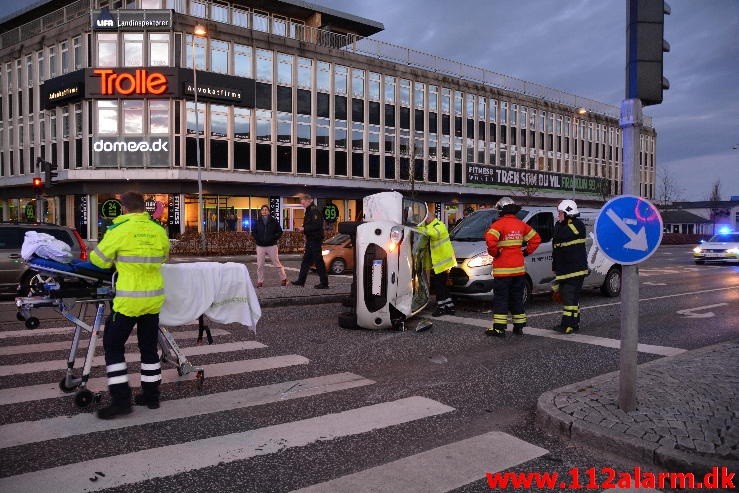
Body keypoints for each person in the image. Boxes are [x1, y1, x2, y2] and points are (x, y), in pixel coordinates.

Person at [90, 191, 170, 419]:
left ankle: (121, 400)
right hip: (152, 300)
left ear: (124, 208)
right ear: (143, 208)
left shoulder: (120, 230)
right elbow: (164, 256)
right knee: (148, 348)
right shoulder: (158, 230)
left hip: (127, 302)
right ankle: (151, 396)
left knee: (113, 346)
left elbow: (98, 260)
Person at [484, 197, 541, 337]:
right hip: (519, 270)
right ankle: (519, 326)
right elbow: (536, 239)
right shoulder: (521, 225)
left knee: (501, 299)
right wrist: (526, 251)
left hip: (503, 271)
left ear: (500, 210)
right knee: (517, 297)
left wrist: (496, 253)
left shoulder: (497, 225)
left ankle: (499, 328)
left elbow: (490, 242)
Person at [551, 199, 589, 334]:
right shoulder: (564, 226)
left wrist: (563, 222)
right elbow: (557, 249)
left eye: (560, 213)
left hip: (574, 270)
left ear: (568, 213)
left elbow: (562, 235)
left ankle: (568, 325)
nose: (558, 216)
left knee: (569, 299)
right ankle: (574, 323)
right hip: (566, 270)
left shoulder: (576, 226)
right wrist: (555, 266)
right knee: (572, 299)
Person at [418, 209, 457, 317]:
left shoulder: (439, 225)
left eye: (425, 219)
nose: (425, 221)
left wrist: (421, 229)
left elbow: (433, 233)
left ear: (430, 218)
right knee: (443, 286)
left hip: (443, 263)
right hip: (441, 263)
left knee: (439, 286)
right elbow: (424, 230)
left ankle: (441, 308)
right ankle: (450, 306)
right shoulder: (432, 225)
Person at [292, 193, 329, 289]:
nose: (302, 205)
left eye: (303, 203)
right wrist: (304, 228)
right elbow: (311, 225)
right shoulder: (309, 211)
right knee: (306, 261)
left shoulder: (314, 210)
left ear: (309, 200)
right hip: (311, 239)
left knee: (318, 261)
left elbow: (316, 225)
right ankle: (301, 281)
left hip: (315, 239)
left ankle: (324, 283)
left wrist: (304, 229)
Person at [253, 205, 287, 287]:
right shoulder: (258, 221)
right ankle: (260, 281)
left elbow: (280, 231)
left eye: (266, 210)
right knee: (260, 265)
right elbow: (254, 232)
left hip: (272, 246)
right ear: (261, 212)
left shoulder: (274, 221)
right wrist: (258, 239)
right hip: (260, 246)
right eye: (263, 210)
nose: (264, 211)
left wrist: (273, 238)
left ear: (268, 211)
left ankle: (283, 279)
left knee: (276, 263)